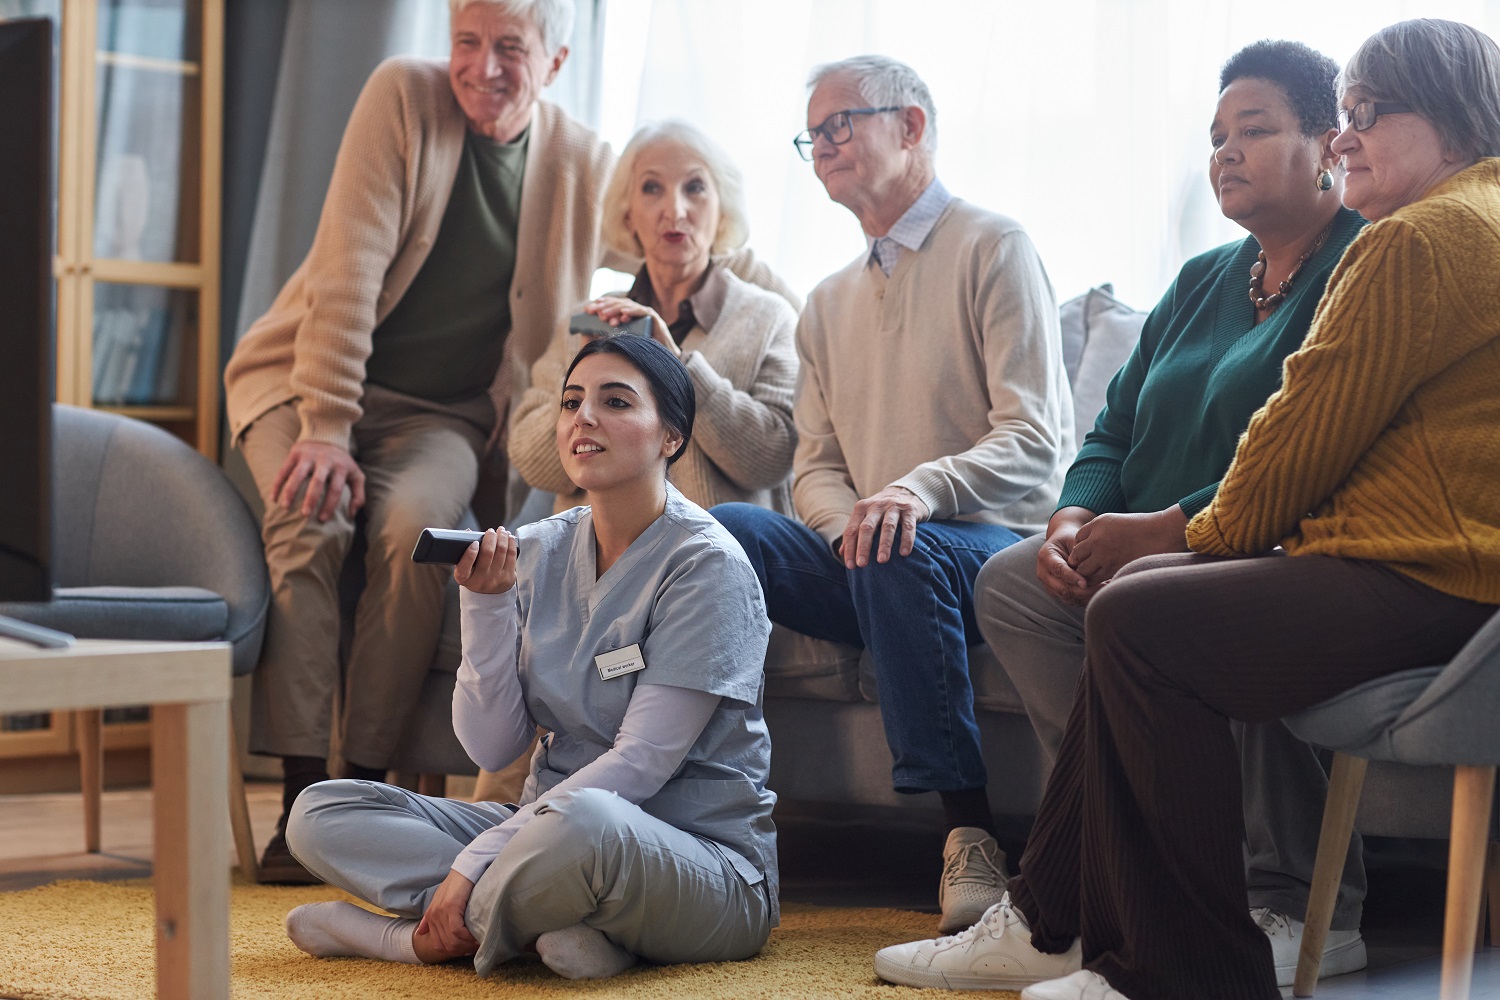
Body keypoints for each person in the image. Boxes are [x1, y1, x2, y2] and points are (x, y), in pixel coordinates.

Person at [876, 18, 1500, 1000]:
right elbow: (1122, 427)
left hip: (1427, 578)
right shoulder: (1460, 221)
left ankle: (1182, 965)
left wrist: (1178, 534)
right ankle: (1059, 918)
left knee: (1142, 614)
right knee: (1130, 600)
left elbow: (1299, 442)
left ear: (1453, 118)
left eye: (1365, 117)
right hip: (1435, 575)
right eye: (1344, 121)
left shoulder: (1411, 241)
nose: (1346, 142)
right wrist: (1091, 519)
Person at [222, 0, 783, 882]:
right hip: (308, 381)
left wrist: (743, 283)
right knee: (311, 522)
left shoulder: (582, 157)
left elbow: (678, 222)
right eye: (466, 43)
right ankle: (298, 795)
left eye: (509, 48)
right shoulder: (402, 95)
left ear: (555, 60)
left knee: (418, 537)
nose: (483, 67)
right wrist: (326, 427)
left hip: (436, 414)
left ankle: (363, 777)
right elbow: (347, 267)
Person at [929, 41, 1365, 991]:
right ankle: (1113, 882)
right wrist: (1069, 521)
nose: (1226, 154)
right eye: (1215, 138)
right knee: (1010, 583)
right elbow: (1112, 424)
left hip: (1261, 540)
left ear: (1328, 142)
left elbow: (1317, 455)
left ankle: (1292, 900)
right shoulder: (1205, 277)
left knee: (1193, 599)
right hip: (1139, 545)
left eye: (1254, 130)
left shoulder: (1366, 264)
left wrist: (1162, 529)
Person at [279, 335, 778, 981]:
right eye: (572, 402)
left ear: (670, 439)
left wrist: (474, 860)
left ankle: (403, 940)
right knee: (320, 811)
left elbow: (643, 762)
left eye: (615, 401)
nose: (583, 418)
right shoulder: (535, 549)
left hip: (701, 861)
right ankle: (559, 928)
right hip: (540, 831)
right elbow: (492, 749)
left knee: (589, 823)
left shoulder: (708, 566)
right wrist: (484, 606)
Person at [713, 54, 1074, 933]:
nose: (824, 145)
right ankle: (698, 804)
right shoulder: (825, 304)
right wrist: (849, 528)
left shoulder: (995, 246)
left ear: (911, 126)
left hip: (992, 548)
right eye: (814, 134)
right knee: (724, 529)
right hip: (878, 554)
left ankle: (970, 836)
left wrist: (909, 493)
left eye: (843, 123)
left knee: (898, 544)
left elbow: (1035, 439)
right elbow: (815, 467)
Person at [510, 121, 799, 516]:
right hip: (598, 562)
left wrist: (679, 366)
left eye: (694, 188)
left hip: (713, 562)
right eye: (651, 188)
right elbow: (533, 462)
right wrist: (582, 387)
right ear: (628, 215)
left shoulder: (770, 317)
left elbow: (773, 459)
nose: (674, 210)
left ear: (722, 211)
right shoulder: (587, 319)